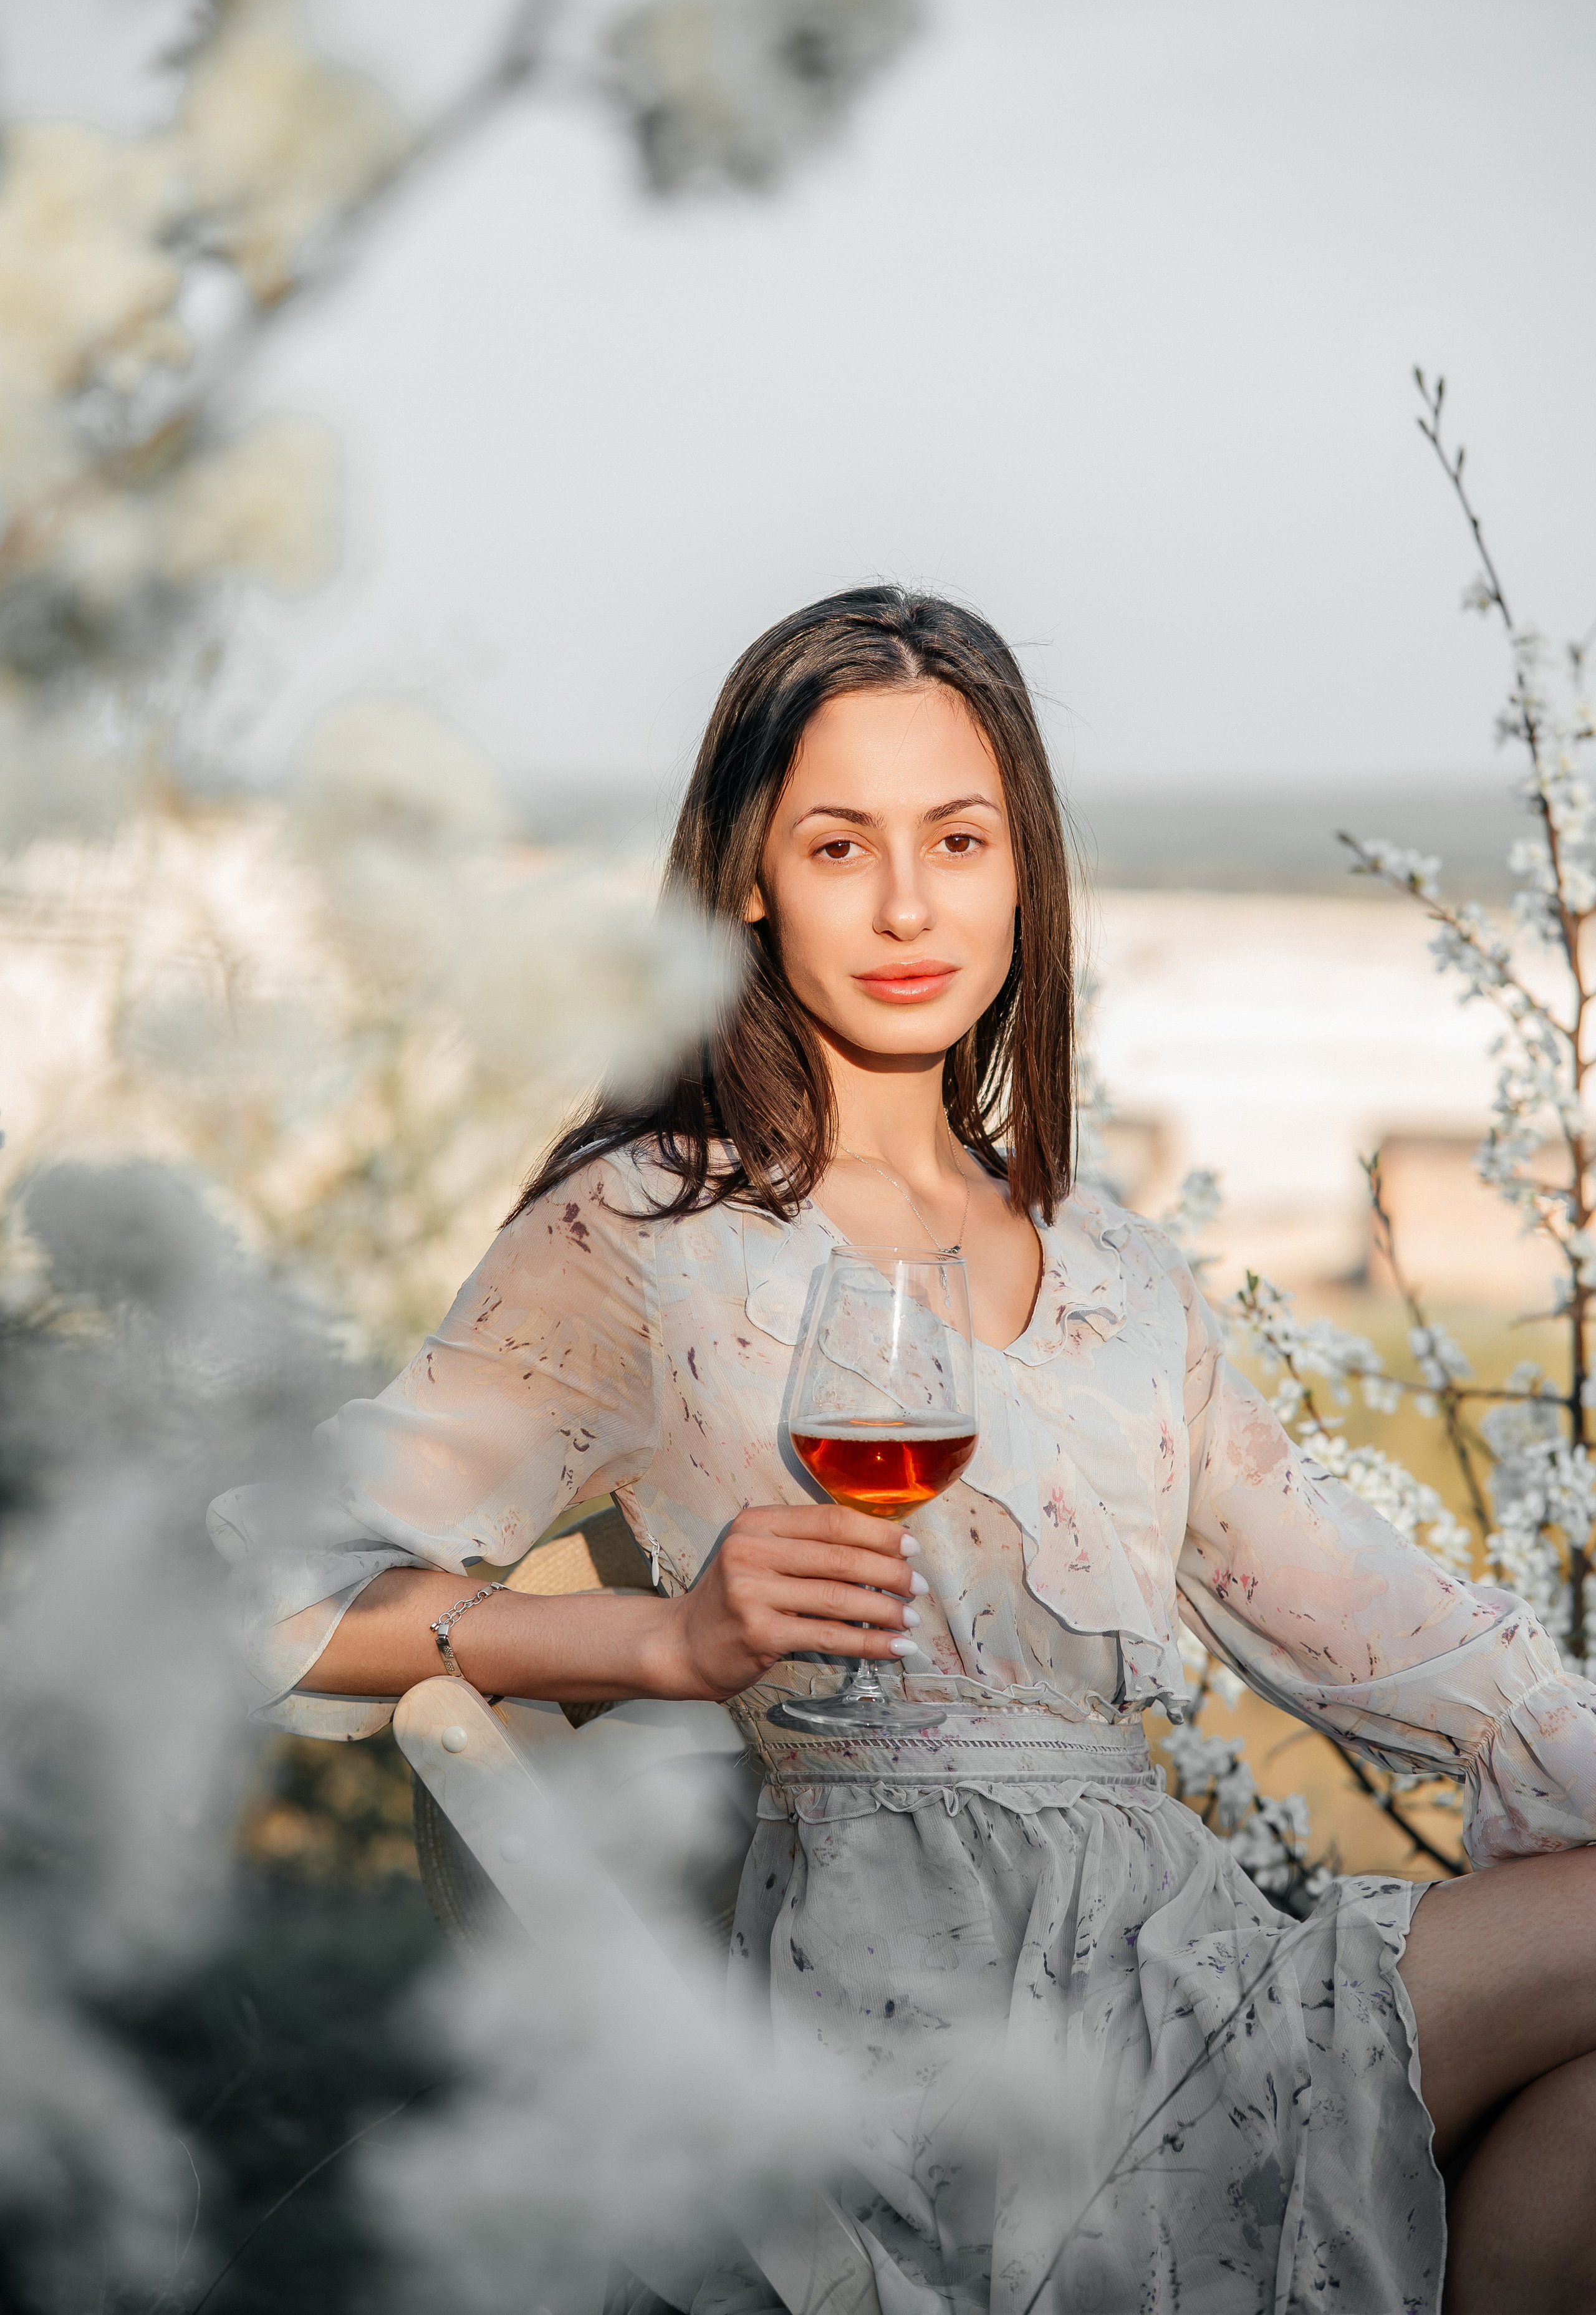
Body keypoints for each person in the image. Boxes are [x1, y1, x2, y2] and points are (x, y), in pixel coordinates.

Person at [213, 587, 1596, 2315]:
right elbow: (273, 1600)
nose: (906, 906)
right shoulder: (651, 1231)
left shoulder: (1119, 1273)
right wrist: (662, 1639)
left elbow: (1391, 1625)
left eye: (957, 838)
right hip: (929, 2059)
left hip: (1188, 1971)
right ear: (748, 877)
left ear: (1024, 872)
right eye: (838, 845)